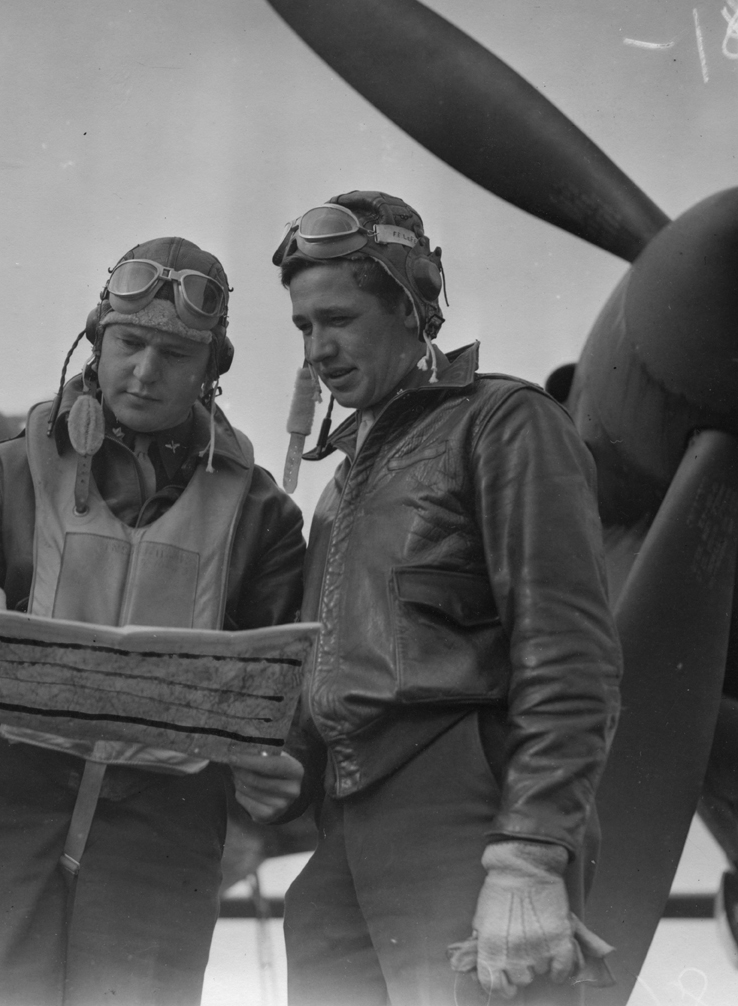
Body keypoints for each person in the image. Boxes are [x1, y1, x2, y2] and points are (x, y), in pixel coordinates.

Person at [0, 236, 308, 1006]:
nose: (146, 371)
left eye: (176, 353)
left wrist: (284, 766)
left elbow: (289, 689)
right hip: (0, 819)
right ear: (96, 340)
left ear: (210, 369)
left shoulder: (262, 515)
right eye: (129, 343)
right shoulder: (6, 474)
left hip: (162, 837)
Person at [271, 191, 623, 1004]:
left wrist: (529, 852)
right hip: (344, 821)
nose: (319, 349)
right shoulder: (342, 481)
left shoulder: (503, 424)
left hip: (464, 808)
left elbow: (569, 654)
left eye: (340, 318)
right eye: (303, 327)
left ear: (410, 307)